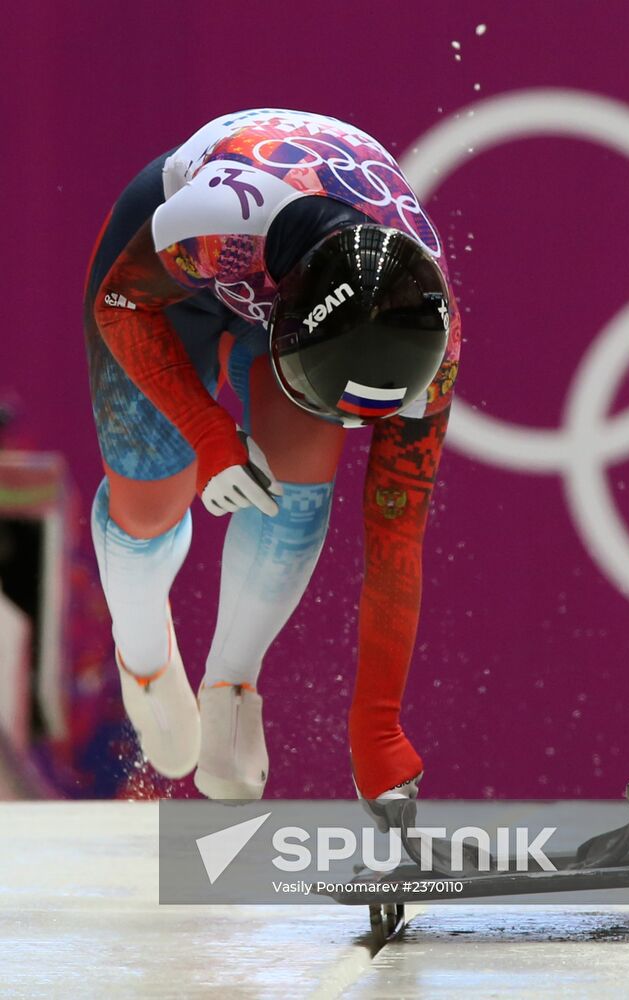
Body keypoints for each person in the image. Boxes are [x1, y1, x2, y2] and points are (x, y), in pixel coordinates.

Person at [83, 108, 460, 810]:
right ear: (284, 322)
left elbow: (395, 539)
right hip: (160, 286)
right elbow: (121, 304)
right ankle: (142, 656)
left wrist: (377, 727)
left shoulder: (434, 343)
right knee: (148, 504)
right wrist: (210, 433)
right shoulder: (211, 220)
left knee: (297, 487)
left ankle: (232, 680)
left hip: (296, 270)